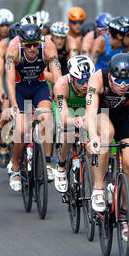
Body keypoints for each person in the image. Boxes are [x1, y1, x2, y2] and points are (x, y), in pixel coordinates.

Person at [85, 53, 129, 241]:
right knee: (107, 133)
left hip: (124, 115)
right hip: (102, 113)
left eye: (127, 82)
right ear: (110, 76)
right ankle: (99, 188)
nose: (123, 86)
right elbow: (90, 112)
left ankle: (124, 214)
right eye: (118, 81)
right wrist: (93, 137)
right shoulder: (97, 78)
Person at [5, 23, 62, 192]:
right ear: (21, 42)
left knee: (46, 118)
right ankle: (15, 166)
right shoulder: (13, 49)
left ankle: (47, 162)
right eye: (28, 45)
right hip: (20, 89)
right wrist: (14, 105)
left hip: (39, 87)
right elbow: (9, 80)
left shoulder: (49, 47)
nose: (31, 48)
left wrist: (59, 99)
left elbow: (57, 75)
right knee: (22, 130)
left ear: (40, 42)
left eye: (35, 44)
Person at [52, 55, 95, 197]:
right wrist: (75, 120)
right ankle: (61, 164)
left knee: (92, 145)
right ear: (71, 78)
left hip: (85, 110)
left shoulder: (95, 84)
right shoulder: (61, 85)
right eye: (81, 81)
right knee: (68, 134)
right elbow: (64, 118)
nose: (86, 85)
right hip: (66, 109)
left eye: (88, 80)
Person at [0, 22, 20, 168]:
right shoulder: (2, 46)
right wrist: (1, 91)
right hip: (7, 78)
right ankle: (4, 145)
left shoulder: (28, 45)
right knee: (6, 106)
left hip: (21, 79)